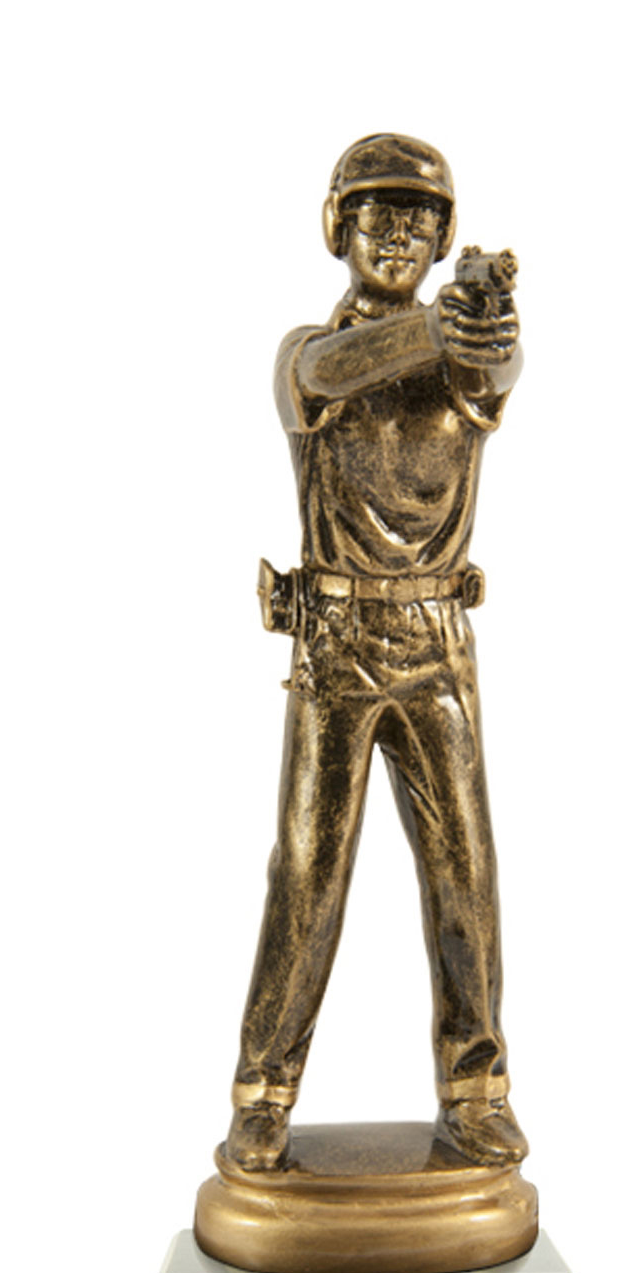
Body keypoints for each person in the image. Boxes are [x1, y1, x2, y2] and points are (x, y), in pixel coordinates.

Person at [226, 132, 528, 1174]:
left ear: (445, 239)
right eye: (378, 215)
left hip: (438, 643)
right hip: (336, 648)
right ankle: (263, 1093)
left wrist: (477, 322)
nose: (400, 234)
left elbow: (495, 363)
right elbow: (328, 373)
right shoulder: (308, 352)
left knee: (464, 869)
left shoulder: (468, 349)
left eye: (419, 219)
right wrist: (432, 327)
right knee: (308, 873)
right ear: (337, 229)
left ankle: (476, 1089)